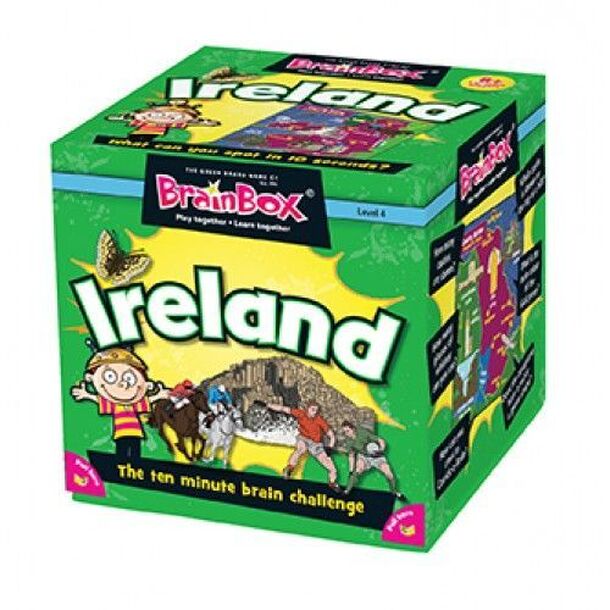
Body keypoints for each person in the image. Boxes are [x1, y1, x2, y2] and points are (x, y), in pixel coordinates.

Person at [70, 347, 169, 459]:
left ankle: (134, 465)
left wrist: (160, 395)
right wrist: (86, 395)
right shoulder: (115, 405)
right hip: (121, 433)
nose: (122, 384)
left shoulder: (135, 404)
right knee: (122, 454)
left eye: (129, 378)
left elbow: (148, 401)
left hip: (136, 433)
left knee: (135, 454)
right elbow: (99, 400)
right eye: (110, 377)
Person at [267, 402, 340, 492]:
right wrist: (269, 405)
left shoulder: (319, 420)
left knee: (332, 468)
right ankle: (289, 468)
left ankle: (332, 483)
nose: (314, 412)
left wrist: (330, 448)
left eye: (316, 411)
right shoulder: (301, 413)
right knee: (301, 449)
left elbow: (332, 435)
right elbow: (283, 409)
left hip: (316, 444)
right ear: (307, 408)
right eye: (312, 409)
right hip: (303, 438)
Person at [340, 420, 407, 501]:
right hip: (364, 457)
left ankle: (395, 492)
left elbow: (380, 440)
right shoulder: (348, 442)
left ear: (353, 429)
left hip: (377, 456)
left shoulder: (363, 432)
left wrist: (381, 449)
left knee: (389, 474)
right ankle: (346, 491)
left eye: (347, 431)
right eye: (344, 432)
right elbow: (351, 456)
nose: (346, 434)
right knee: (357, 470)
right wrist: (351, 471)